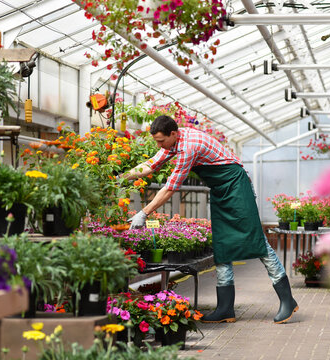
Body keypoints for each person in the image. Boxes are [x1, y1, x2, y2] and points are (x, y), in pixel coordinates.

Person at [120, 115, 298, 324]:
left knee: (257, 242)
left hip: (236, 186)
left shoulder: (188, 147)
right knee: (222, 245)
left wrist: (144, 212)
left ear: (173, 134)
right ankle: (225, 308)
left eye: (161, 141)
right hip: (221, 191)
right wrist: (120, 177)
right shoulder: (173, 142)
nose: (159, 145)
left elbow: (170, 188)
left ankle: (288, 300)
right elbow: (151, 164)